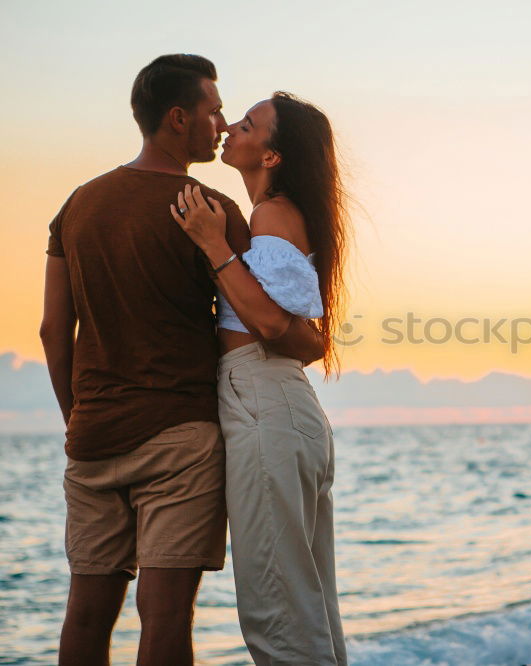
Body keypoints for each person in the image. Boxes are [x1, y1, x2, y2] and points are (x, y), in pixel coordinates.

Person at [39, 55, 323, 666]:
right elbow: (270, 323)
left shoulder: (77, 206)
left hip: (92, 437)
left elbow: (52, 330)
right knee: (165, 615)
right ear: (177, 118)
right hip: (179, 437)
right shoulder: (209, 208)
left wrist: (75, 418)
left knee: (86, 613)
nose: (222, 124)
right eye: (214, 111)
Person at [170, 91, 351, 665]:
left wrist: (213, 244)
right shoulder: (282, 215)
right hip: (285, 407)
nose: (229, 129)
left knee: (278, 612)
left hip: (263, 402)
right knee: (310, 605)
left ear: (271, 156)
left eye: (247, 125)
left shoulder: (270, 214)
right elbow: (307, 337)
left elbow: (272, 323)